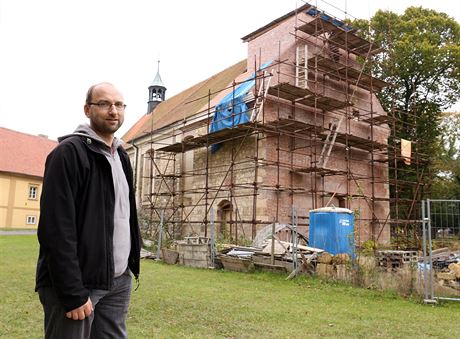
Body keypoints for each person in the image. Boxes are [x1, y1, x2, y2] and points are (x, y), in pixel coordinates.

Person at [35, 82, 141, 338]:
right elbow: (56, 229)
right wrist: (72, 291)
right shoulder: (68, 154)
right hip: (79, 283)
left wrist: (128, 268)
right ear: (87, 109)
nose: (113, 111)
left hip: (117, 280)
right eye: (104, 104)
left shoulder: (121, 156)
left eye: (119, 104)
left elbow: (124, 216)